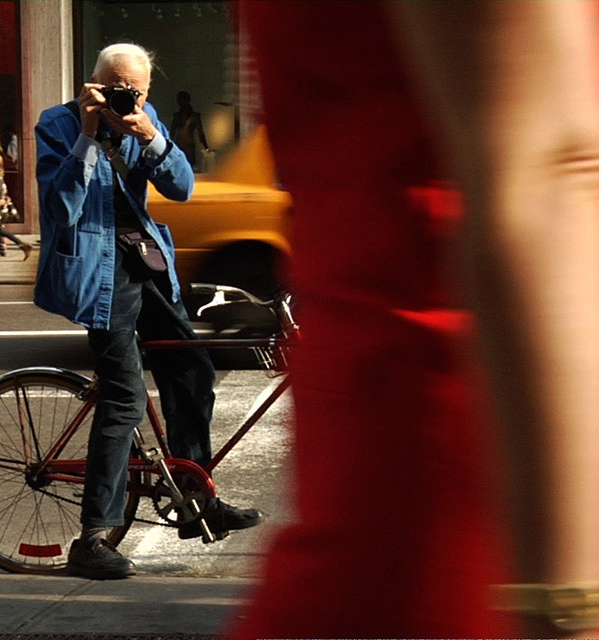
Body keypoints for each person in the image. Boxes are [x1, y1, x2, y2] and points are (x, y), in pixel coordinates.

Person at [229, 1, 599, 638]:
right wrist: (567, 605)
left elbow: (545, 170)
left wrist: (566, 604)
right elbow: (547, 168)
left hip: (434, 462)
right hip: (457, 465)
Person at [34, 42, 264, 581]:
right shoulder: (59, 125)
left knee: (193, 368)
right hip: (98, 273)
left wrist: (152, 136)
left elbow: (181, 188)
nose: (123, 98)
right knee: (125, 397)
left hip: (145, 265)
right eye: (113, 87)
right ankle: (92, 538)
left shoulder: (146, 119)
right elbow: (59, 209)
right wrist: (89, 139)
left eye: (133, 90)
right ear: (91, 83)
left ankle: (195, 502)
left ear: (145, 91)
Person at [169, 90, 208, 170]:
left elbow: (172, 132)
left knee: (182, 168)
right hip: (184, 145)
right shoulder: (184, 116)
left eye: (179, 99)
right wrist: (206, 146)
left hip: (183, 145)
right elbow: (200, 133)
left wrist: (206, 146)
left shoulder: (190, 116)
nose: (177, 101)